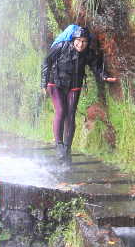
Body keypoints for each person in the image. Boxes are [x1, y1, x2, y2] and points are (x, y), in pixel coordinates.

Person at [40, 27, 117, 161]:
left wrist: (104, 76)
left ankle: (67, 150)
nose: (80, 44)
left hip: (74, 86)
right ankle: (59, 146)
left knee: (71, 114)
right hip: (55, 83)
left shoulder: (87, 53)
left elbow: (96, 66)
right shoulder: (61, 46)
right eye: (78, 41)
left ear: (88, 42)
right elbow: (47, 61)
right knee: (61, 110)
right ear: (73, 40)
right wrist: (44, 83)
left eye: (84, 41)